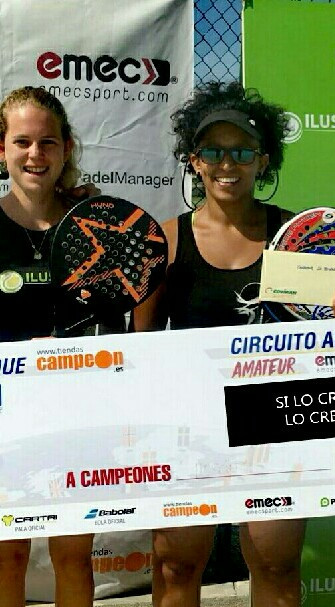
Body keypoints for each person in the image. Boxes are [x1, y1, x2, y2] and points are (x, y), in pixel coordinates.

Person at [133, 81, 335, 607]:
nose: (227, 164)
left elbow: (328, 344)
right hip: (189, 427)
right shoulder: (164, 240)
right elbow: (140, 347)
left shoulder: (298, 237)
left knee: (276, 566)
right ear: (194, 160)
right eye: (213, 151)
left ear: (263, 160)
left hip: (275, 424)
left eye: (242, 151)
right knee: (176, 566)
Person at [0, 86, 114, 607]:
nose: (35, 154)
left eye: (47, 142)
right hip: (6, 416)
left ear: (66, 149)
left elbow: (118, 318)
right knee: (8, 554)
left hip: (77, 412)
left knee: (72, 553)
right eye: (22, 142)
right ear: (2, 149)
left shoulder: (94, 224)